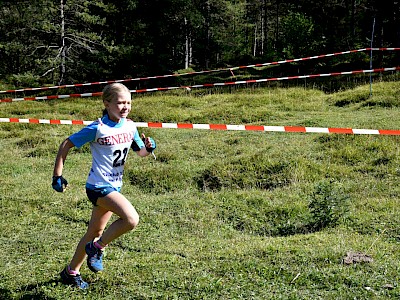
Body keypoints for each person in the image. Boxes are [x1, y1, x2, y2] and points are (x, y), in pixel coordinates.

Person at [52, 83, 156, 289]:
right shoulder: (98, 128)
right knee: (131, 219)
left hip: (115, 186)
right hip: (98, 186)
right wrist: (58, 175)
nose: (125, 107)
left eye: (128, 103)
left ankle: (70, 272)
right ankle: (97, 248)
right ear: (107, 104)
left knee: (95, 231)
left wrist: (149, 147)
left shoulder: (130, 126)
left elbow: (141, 152)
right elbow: (67, 143)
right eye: (120, 103)